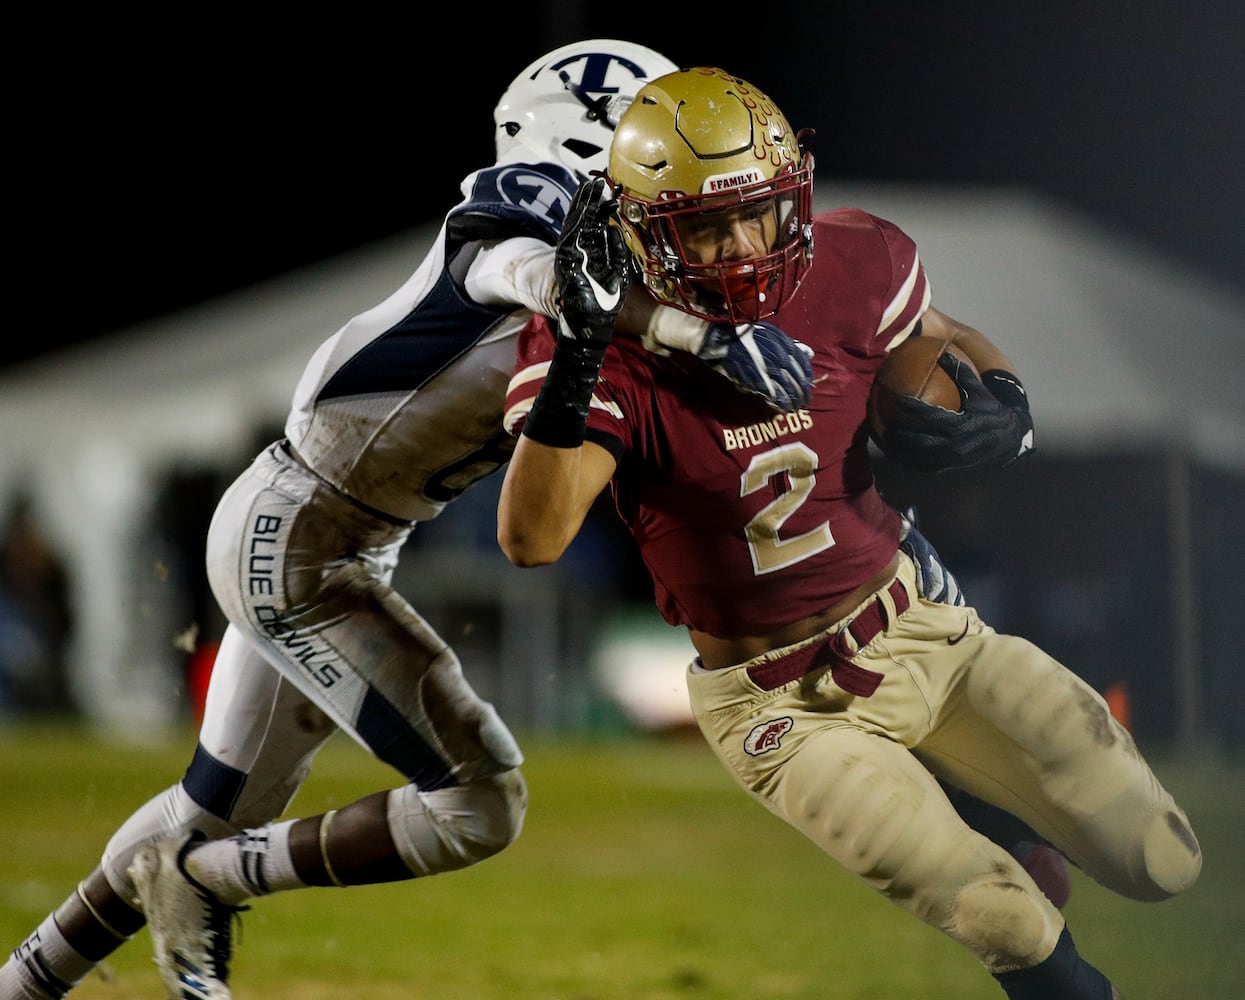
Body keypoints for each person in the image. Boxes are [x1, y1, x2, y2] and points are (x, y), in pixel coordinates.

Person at [0, 40, 825, 1000]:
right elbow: (520, 266)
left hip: (330, 532)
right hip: (302, 540)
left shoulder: (618, 265)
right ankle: (197, 881)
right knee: (479, 804)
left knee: (218, 804)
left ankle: (27, 983)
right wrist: (694, 335)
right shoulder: (530, 201)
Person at [496, 67, 1201, 999]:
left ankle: (984, 802)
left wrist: (1008, 403)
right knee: (1006, 920)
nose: (744, 246)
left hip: (921, 633)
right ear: (640, 234)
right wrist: (580, 350)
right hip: (778, 707)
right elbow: (531, 539)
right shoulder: (601, 350)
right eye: (705, 224)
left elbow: (943, 333)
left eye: (759, 212)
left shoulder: (853, 263)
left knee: (1163, 860)